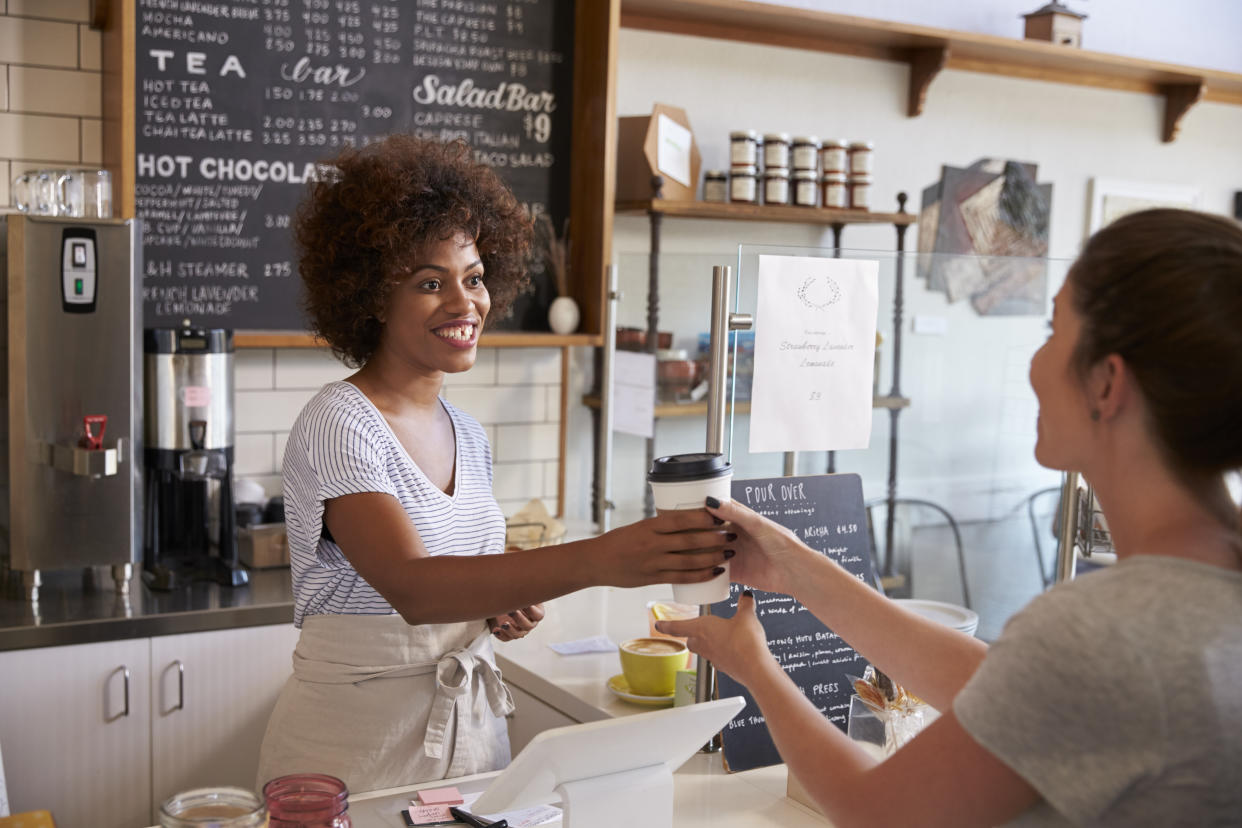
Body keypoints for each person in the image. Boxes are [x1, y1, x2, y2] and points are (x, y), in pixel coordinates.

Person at [659, 208, 1242, 827]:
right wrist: (795, 567)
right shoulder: (1195, 597)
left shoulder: (1101, 632)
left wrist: (757, 671)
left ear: (1106, 383)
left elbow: (880, 812)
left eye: (1051, 331)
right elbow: (1008, 688)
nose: (1034, 363)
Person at [256, 136, 731, 793]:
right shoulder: (338, 420)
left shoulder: (469, 435)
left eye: (474, 277)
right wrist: (600, 559)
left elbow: (459, 577)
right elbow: (414, 589)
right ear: (369, 296)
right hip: (353, 755)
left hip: (471, 743)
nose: (465, 303)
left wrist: (502, 603)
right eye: (430, 282)